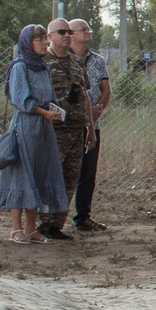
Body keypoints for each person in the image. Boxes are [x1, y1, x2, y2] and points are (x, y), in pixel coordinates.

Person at [0, 23, 68, 246]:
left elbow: (50, 97)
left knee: (39, 174)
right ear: (28, 43)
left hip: (44, 130)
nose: (45, 43)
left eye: (45, 39)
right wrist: (42, 112)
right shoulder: (19, 67)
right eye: (40, 40)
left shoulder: (43, 68)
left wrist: (54, 111)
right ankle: (16, 229)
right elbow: (21, 98)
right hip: (25, 128)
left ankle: (31, 229)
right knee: (21, 176)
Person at [37, 19, 88, 241]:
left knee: (70, 178)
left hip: (76, 129)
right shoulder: (41, 63)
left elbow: (84, 94)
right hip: (52, 130)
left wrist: (90, 130)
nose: (67, 35)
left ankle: (57, 224)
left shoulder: (76, 63)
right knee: (50, 177)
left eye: (69, 32)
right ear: (49, 36)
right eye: (61, 32)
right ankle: (43, 223)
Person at [71, 19, 111, 232]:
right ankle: (52, 217)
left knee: (88, 172)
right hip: (68, 125)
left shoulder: (98, 60)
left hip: (92, 124)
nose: (88, 32)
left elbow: (106, 89)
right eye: (83, 29)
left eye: (88, 29)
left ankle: (83, 217)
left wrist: (97, 109)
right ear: (71, 34)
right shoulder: (61, 59)